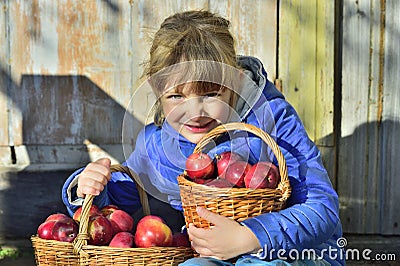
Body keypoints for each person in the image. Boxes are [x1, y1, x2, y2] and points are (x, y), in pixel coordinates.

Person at [61, 10, 344, 265]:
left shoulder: (272, 119)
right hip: (212, 257)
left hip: (296, 254)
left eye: (211, 93)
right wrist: (88, 186)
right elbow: (118, 203)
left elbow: (322, 209)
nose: (194, 112)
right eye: (175, 96)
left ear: (233, 83)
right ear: (157, 92)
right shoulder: (159, 143)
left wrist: (250, 238)